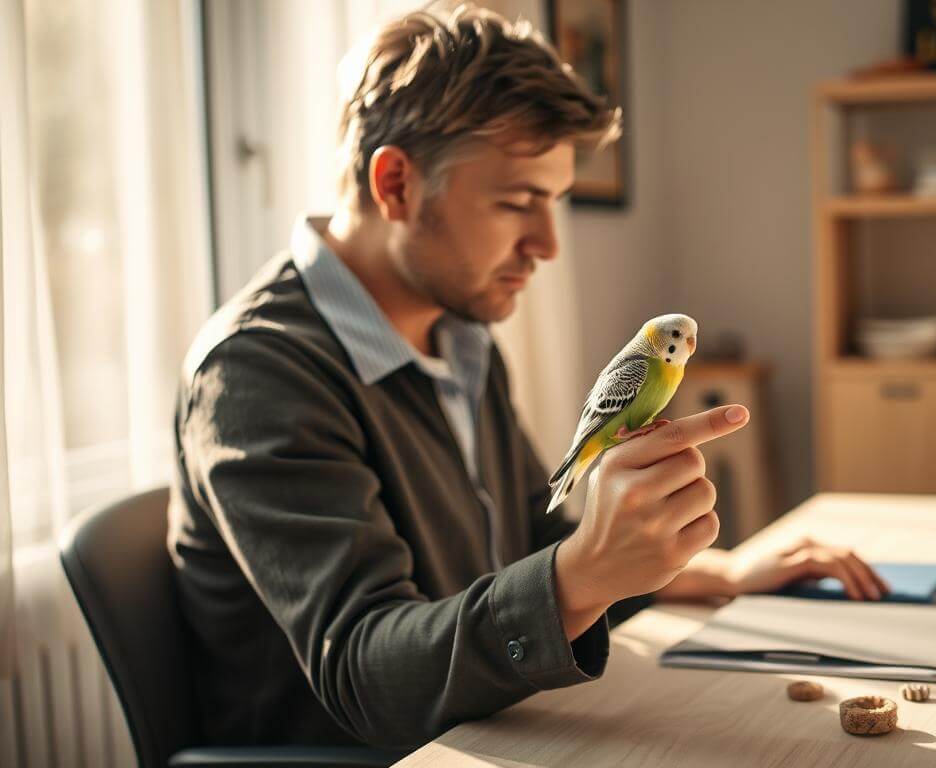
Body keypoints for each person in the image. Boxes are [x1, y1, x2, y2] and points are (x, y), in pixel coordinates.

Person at [168, 3, 889, 751]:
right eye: (518, 204)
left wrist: (719, 572)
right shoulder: (257, 374)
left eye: (555, 204)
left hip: (495, 730)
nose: (546, 245)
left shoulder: (460, 338)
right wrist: (584, 572)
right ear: (396, 186)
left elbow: (536, 536)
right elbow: (367, 673)